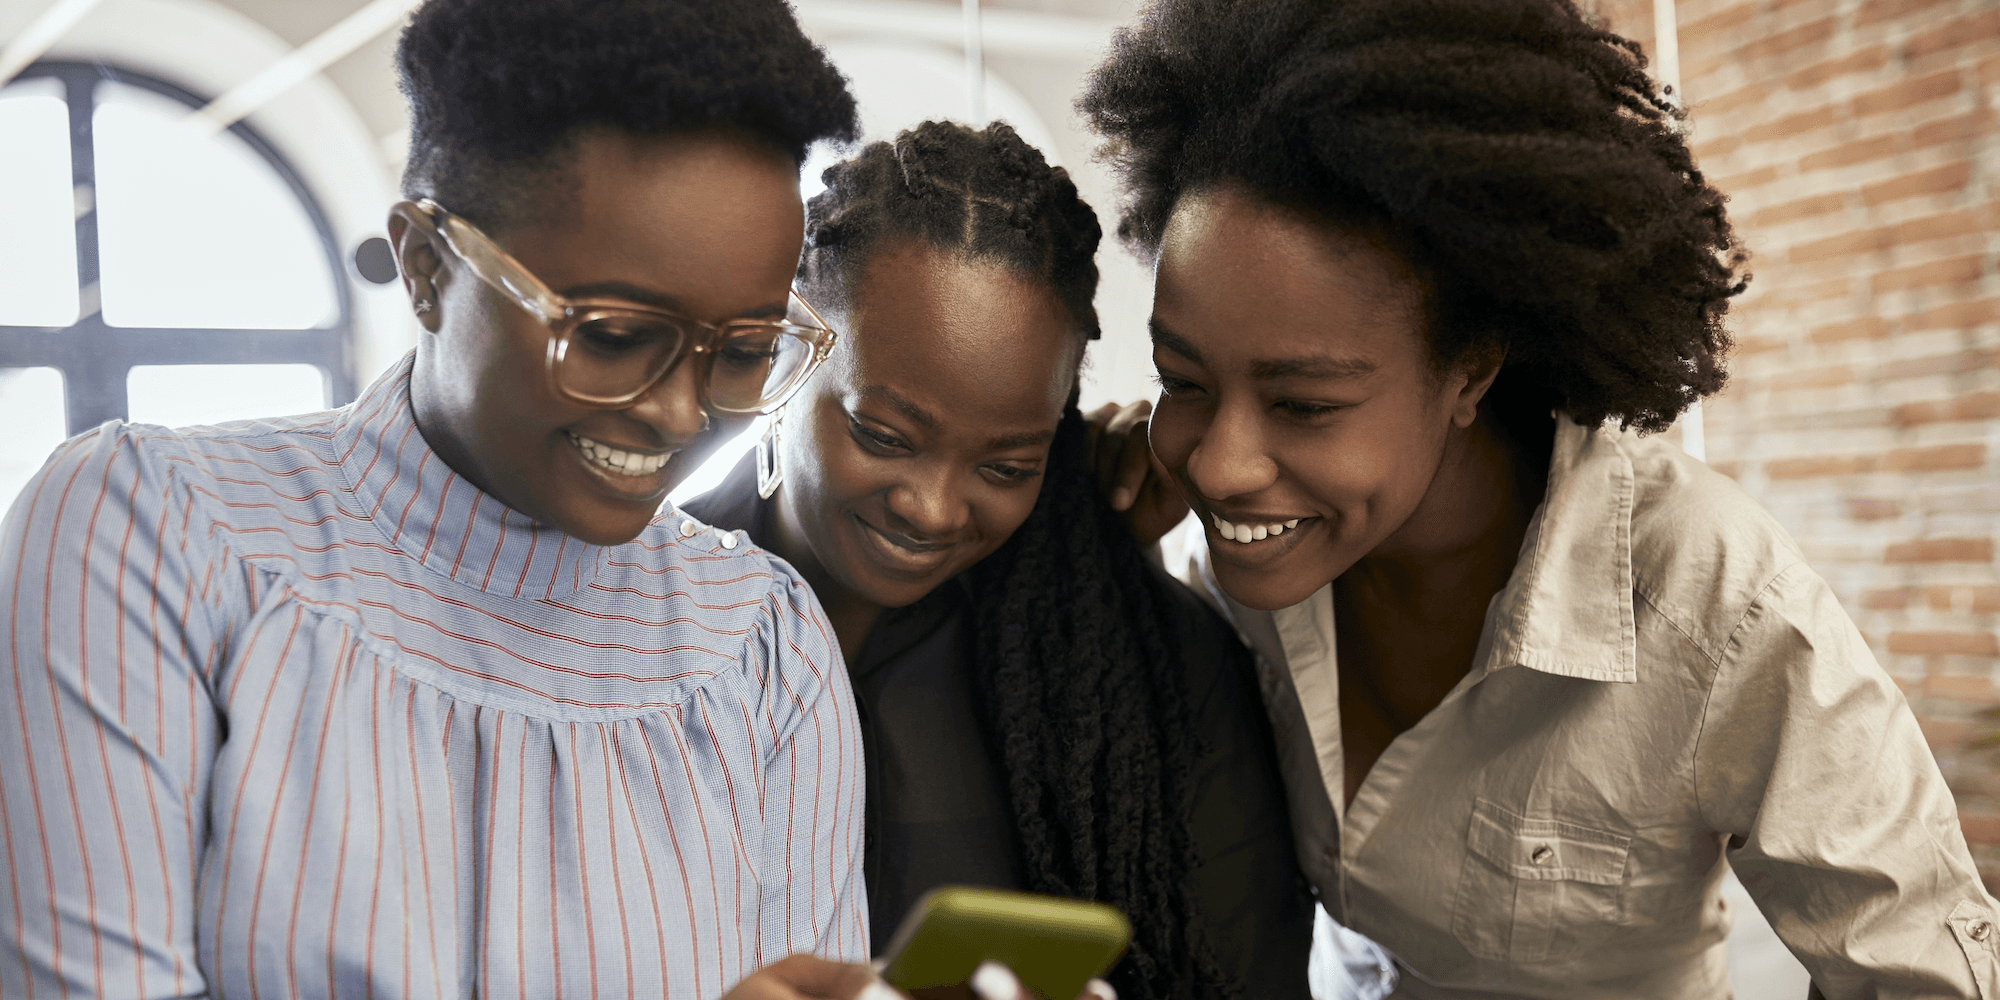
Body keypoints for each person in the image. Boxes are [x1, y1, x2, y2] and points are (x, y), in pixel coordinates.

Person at [1077, 0, 2000, 996]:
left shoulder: (1707, 598)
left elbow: (1923, 966)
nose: (1217, 465)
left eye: (1303, 402)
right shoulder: (1230, 557)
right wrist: (1097, 549)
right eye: (1182, 380)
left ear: (1468, 372)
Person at [0, 1, 887, 997]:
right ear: (425, 267)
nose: (681, 413)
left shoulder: (761, 644)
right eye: (607, 335)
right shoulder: (152, 533)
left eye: (744, 352)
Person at [676, 120, 1314, 1000]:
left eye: (1006, 466)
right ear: (789, 347)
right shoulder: (620, 612)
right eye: (883, 434)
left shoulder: (1146, 672)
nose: (932, 507)